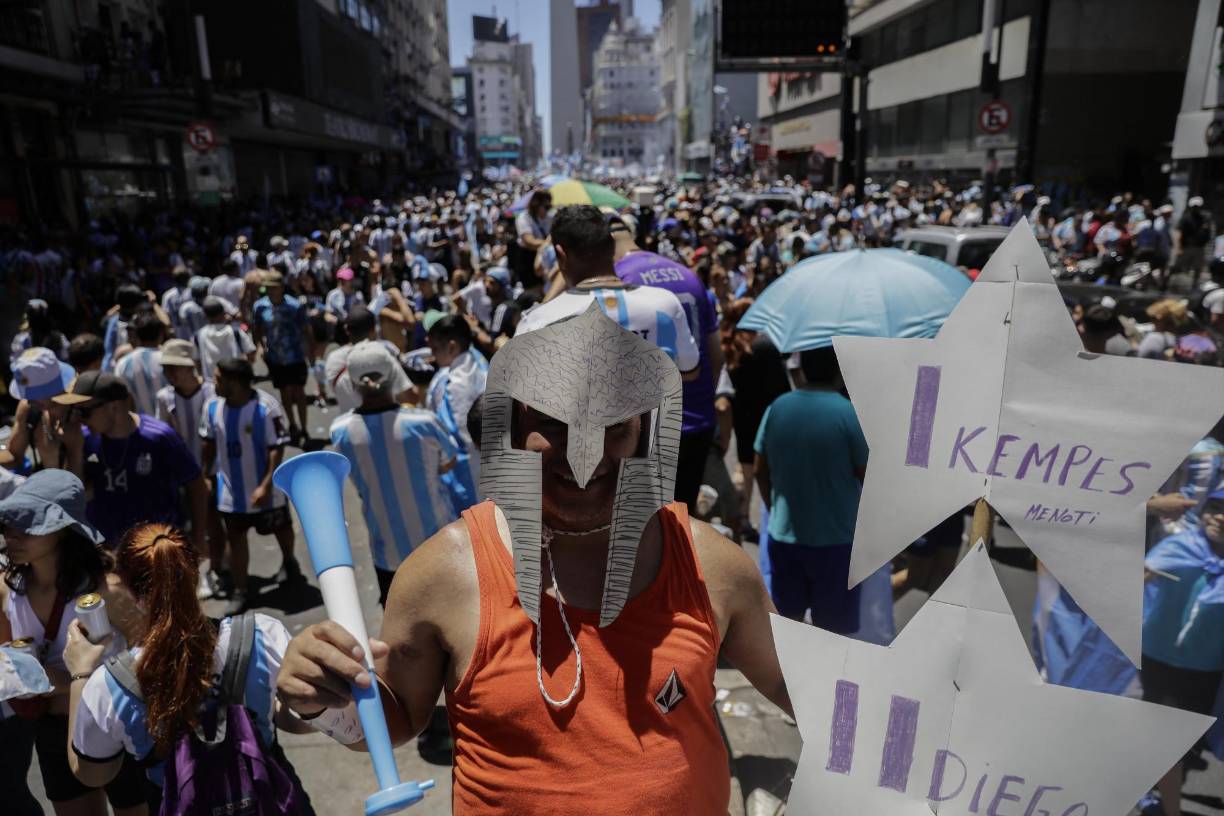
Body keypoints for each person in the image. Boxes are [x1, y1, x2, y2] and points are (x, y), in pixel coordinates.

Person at [275, 311, 789, 815]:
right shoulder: (443, 574)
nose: (586, 452)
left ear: (642, 431)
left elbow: (804, 691)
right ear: (515, 427)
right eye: (554, 423)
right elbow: (392, 719)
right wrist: (317, 700)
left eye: (614, 425)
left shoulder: (710, 564)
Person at [63, 523, 314, 813]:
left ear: (129, 590)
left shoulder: (111, 683)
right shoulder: (261, 635)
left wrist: (80, 673)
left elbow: (93, 772)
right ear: (194, 574)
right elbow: (293, 717)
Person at [0, 469, 148, 815]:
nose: (11, 534)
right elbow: (6, 663)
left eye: (28, 523)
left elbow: (153, 657)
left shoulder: (106, 591)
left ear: (63, 528)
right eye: (8, 523)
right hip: (52, 732)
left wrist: (62, 680)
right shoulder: (7, 590)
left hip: (120, 727)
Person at [329, 343, 458, 606]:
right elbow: (448, 462)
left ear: (353, 385)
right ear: (393, 375)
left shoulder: (340, 432)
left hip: (387, 554)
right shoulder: (423, 422)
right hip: (439, 546)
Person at [613, 215, 724, 509]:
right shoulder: (687, 274)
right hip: (697, 418)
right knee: (682, 520)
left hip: (648, 426)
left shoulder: (618, 278)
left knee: (645, 527)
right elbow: (716, 353)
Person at [754, 346, 867, 633]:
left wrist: (774, 508)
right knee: (833, 633)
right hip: (837, 540)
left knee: (788, 627)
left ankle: (790, 679)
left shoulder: (777, 407)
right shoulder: (848, 413)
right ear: (839, 373)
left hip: (784, 536)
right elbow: (867, 476)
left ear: (802, 369)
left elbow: (759, 469)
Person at [516, 206, 701, 380]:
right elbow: (690, 370)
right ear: (612, 244)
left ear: (560, 255)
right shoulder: (664, 304)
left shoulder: (539, 323)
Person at [1137, 488, 1224, 816]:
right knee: (1167, 742)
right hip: (1157, 660)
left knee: (1187, 744)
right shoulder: (1180, 546)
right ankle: (1168, 808)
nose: (1219, 516)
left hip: (1205, 671)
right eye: (1214, 506)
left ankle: (1152, 789)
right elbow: (1136, 582)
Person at [56, 371, 207, 552]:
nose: (79, 419)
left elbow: (196, 484)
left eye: (85, 412)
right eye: (76, 411)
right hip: (106, 550)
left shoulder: (158, 438)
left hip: (155, 549)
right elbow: (72, 499)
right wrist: (74, 451)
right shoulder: (83, 439)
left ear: (114, 406)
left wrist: (198, 535)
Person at [199, 358, 299, 615]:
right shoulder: (212, 408)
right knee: (236, 538)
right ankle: (240, 590)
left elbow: (276, 447)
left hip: (267, 491)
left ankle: (289, 562)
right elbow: (208, 443)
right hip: (231, 493)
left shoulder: (266, 408)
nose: (214, 383)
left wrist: (266, 485)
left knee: (280, 527)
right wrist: (206, 475)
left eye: (219, 378)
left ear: (234, 382)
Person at [251, 270, 313, 443]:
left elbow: (306, 330)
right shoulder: (260, 307)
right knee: (284, 391)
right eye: (268, 288)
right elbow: (257, 329)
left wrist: (311, 351)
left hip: (296, 355)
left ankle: (304, 427)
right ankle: (292, 424)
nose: (271, 292)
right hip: (276, 357)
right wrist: (260, 348)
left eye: (274, 288)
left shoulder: (295, 306)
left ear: (281, 287)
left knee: (299, 392)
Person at [0, 347, 77, 473]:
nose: (28, 400)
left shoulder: (80, 410)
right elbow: (13, 455)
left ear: (53, 388)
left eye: (34, 394)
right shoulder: (28, 408)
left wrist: (74, 449)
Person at [323, 307, 412, 413]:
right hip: (386, 425)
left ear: (347, 330)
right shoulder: (382, 353)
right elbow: (408, 396)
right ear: (374, 330)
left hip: (350, 426)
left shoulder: (333, 359)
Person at [154, 339, 214, 468]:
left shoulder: (212, 393)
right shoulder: (164, 397)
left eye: (173, 368)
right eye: (165, 368)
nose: (168, 374)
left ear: (189, 368)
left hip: (212, 468)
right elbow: (163, 434)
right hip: (181, 468)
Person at [113, 312, 167, 418]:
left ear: (137, 335)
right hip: (170, 427)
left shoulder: (123, 364)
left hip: (141, 427)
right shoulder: (168, 359)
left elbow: (122, 399)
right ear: (161, 335)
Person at [195, 295, 256, 381]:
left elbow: (197, 361)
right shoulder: (235, 332)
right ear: (224, 313)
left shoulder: (199, 335)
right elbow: (251, 352)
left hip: (211, 382)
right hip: (236, 381)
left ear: (205, 316)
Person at [513, 188, 552, 292]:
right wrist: (549, 242)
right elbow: (529, 241)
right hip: (528, 259)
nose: (548, 210)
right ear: (536, 205)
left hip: (543, 255)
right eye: (546, 207)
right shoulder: (524, 218)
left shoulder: (548, 219)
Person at [10, 299, 69, 364]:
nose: (36, 321)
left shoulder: (58, 338)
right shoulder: (21, 340)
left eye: (39, 317)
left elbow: (15, 363)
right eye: (34, 316)